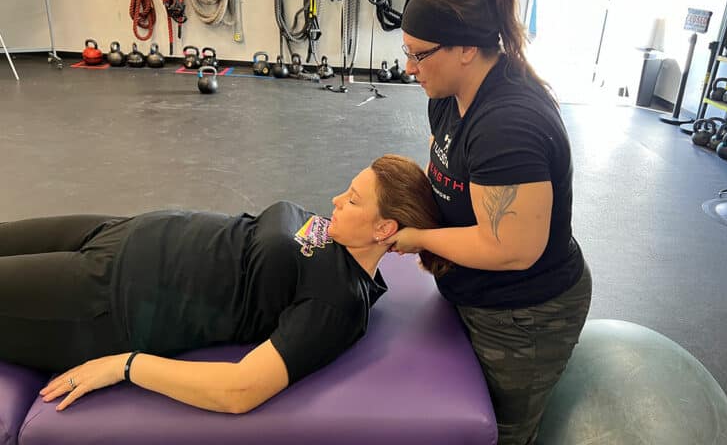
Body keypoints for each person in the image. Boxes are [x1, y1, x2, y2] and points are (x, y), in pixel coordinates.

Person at [0, 154, 449, 413]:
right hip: (116, 233)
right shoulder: (337, 233)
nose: (335, 201)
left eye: (352, 200)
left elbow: (241, 389)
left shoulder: (338, 304)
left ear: (384, 230)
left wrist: (125, 365)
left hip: (106, 297)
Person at [381, 0, 593, 445]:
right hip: (472, 294)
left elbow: (511, 249)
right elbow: (445, 171)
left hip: (525, 317)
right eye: (405, 52)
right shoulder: (445, 92)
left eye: (419, 55)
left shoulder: (507, 126)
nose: (408, 68)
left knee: (499, 434)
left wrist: (418, 240)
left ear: (465, 49)